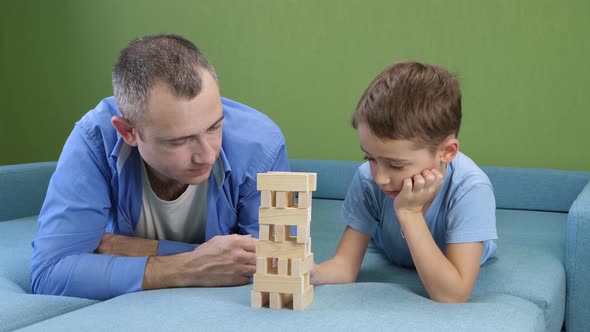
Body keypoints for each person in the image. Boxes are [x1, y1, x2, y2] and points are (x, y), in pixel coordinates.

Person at [30, 34, 289, 300]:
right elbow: (50, 273)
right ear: (128, 131)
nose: (207, 155)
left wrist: (145, 249)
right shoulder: (95, 139)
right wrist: (187, 266)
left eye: (215, 127)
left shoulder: (260, 146)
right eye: (179, 141)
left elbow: (275, 263)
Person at [311, 61, 497, 303]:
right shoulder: (367, 180)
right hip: (390, 244)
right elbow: (345, 266)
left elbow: (453, 293)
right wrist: (309, 273)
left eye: (396, 165)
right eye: (370, 158)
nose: (380, 177)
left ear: (447, 152)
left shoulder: (471, 189)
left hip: (459, 256)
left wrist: (409, 212)